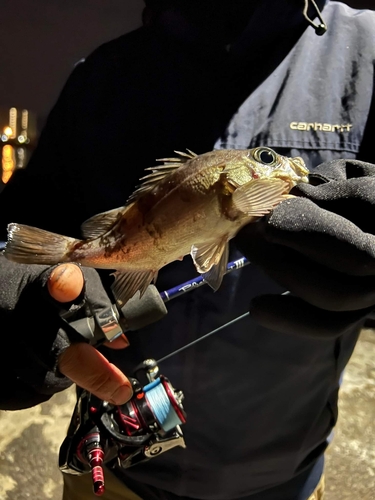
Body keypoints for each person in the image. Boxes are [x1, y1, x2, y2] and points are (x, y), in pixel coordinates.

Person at [1, 0, 375, 499]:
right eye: (265, 160)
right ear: (231, 180)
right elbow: (20, 224)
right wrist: (9, 296)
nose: (276, 165)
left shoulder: (369, 51)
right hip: (113, 476)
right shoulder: (100, 76)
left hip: (286, 482)